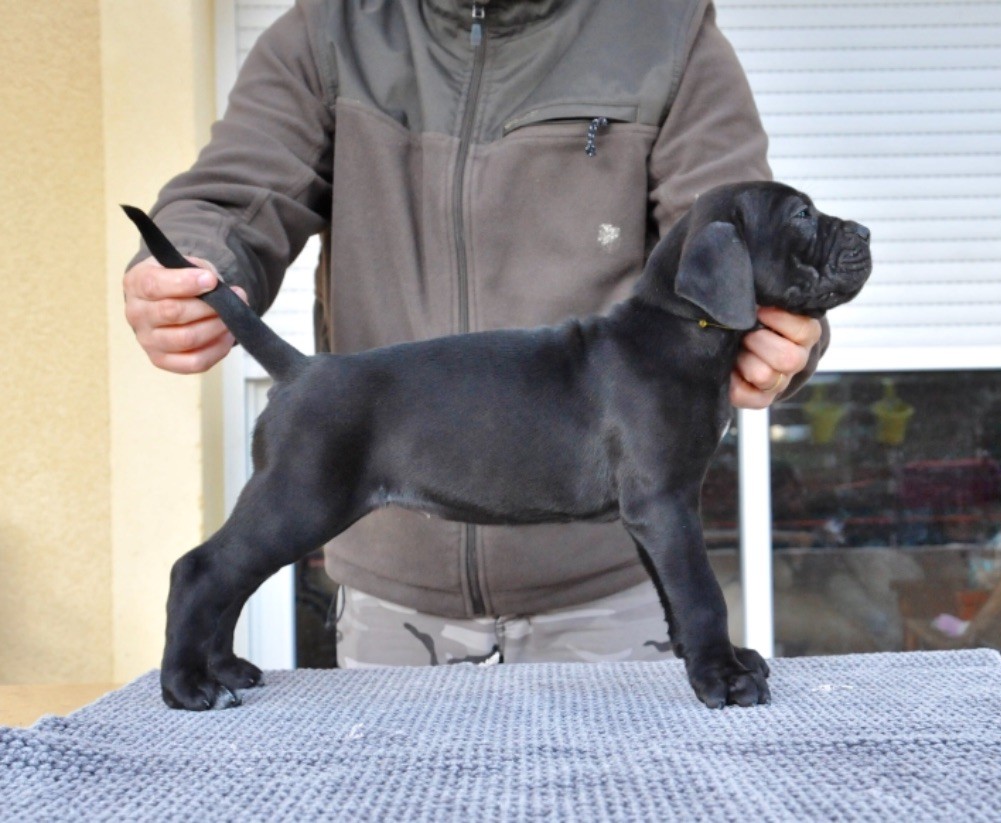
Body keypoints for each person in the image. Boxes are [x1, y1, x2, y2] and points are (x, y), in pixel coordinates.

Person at [124, 0, 825, 668]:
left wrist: (783, 335)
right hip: (394, 594)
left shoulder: (665, 28)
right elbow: (233, 192)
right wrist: (198, 265)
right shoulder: (330, 25)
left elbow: (743, 232)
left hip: (608, 594)